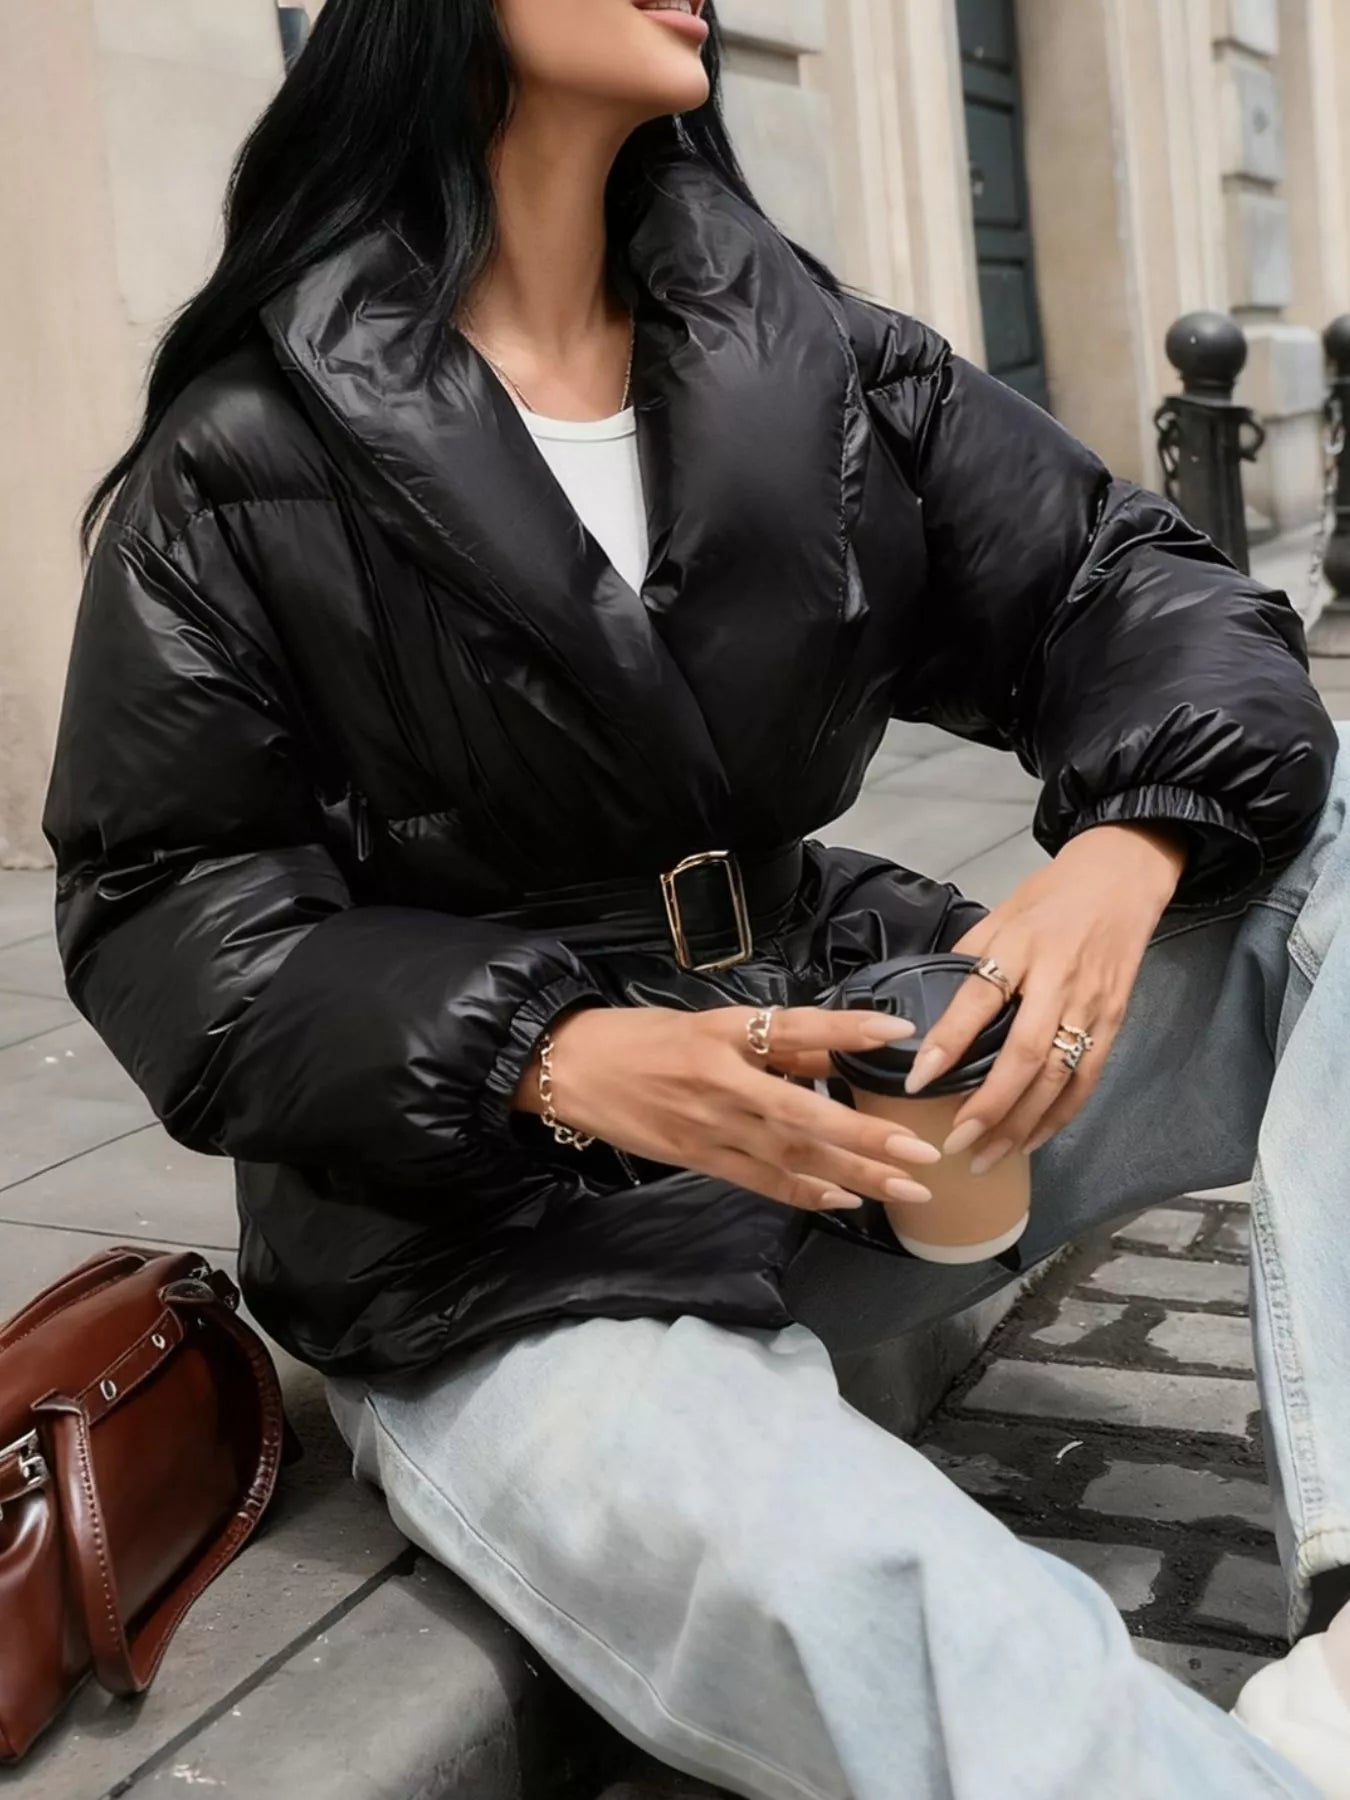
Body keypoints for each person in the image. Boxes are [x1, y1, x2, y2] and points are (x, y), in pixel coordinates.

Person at [44, 2, 1350, 1795]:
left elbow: (1127, 589)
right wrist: (548, 1052)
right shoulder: (247, 452)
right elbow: (168, 902)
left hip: (862, 1108)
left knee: (1327, 839)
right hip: (501, 1251)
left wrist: (1135, 848)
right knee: (900, 1625)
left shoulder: (816, 361)